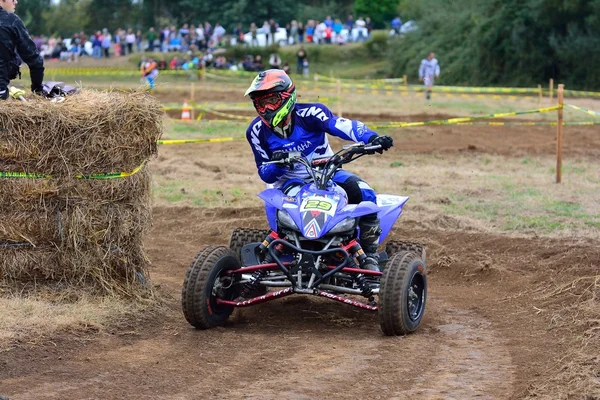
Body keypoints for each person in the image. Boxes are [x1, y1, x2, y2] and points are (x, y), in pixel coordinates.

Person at [244, 70, 394, 271]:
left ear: (288, 96)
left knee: (365, 193)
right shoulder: (255, 131)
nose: (266, 108)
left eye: (271, 100)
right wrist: (277, 165)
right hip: (289, 182)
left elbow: (343, 125)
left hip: (329, 174)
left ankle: (369, 256)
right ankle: (286, 252)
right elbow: (263, 171)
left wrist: (371, 138)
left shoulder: (311, 113)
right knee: (297, 209)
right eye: (261, 104)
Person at [0, 0, 44, 99]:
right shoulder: (11, 20)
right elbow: (35, 59)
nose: (16, 2)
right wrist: (37, 91)